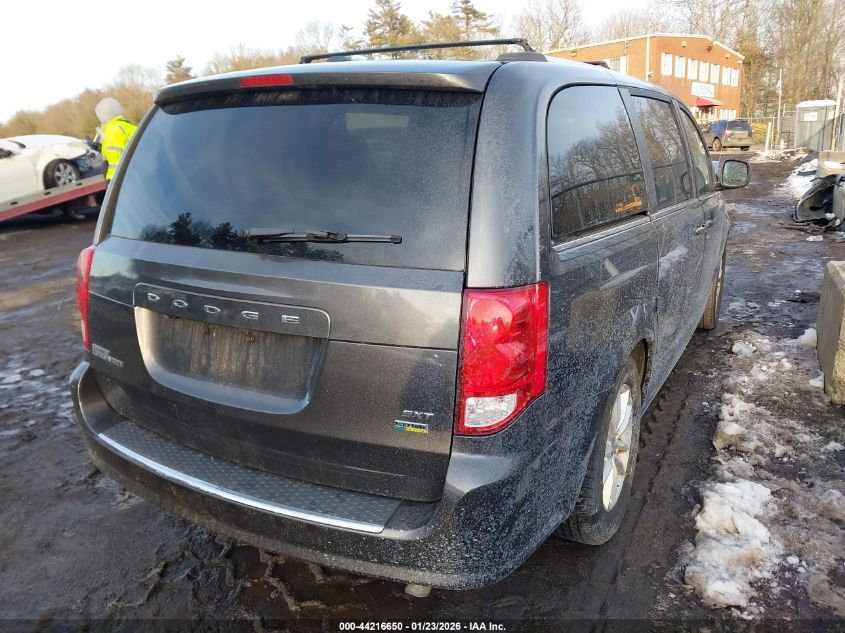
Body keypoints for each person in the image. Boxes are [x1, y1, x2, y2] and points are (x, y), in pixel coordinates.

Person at [95, 98, 137, 181]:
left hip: (119, 180)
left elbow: (115, 158)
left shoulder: (112, 130)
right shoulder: (131, 127)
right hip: (134, 176)